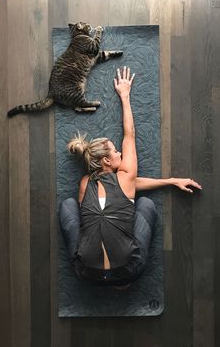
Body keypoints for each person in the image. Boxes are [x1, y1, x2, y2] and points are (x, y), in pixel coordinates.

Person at [60, 66, 202, 287]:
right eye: (116, 152)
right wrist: (125, 96)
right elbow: (130, 135)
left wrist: (172, 180)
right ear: (107, 161)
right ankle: (123, 283)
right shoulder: (125, 178)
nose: (119, 153)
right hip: (128, 271)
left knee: (69, 205)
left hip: (86, 274)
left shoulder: (84, 182)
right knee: (145, 204)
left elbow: (127, 188)